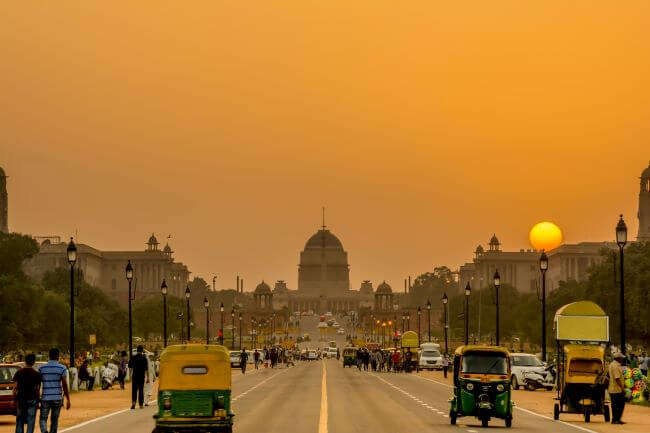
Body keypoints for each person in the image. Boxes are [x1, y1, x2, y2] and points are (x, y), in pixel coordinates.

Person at [39, 348, 71, 433]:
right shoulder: (62, 368)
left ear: (49, 356)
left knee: (43, 418)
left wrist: (38, 397)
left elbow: (38, 384)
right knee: (54, 419)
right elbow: (64, 385)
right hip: (57, 397)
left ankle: (44, 430)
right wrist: (68, 399)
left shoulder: (42, 368)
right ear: (58, 356)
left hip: (45, 397)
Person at [12, 353, 41, 433]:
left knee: (20, 419)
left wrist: (14, 398)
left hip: (21, 399)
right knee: (31, 420)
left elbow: (15, 388)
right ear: (34, 362)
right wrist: (38, 400)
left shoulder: (19, 372)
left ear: (25, 361)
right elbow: (37, 389)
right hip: (32, 399)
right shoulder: (37, 374)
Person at [128, 345, 149, 409]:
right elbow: (146, 369)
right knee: (141, 390)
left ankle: (133, 403)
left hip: (135, 376)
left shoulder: (133, 357)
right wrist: (147, 377)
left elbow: (130, 367)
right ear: (142, 350)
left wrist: (130, 375)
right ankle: (141, 404)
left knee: (134, 390)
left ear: (137, 350)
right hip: (141, 376)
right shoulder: (144, 358)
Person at [609, 351, 626, 424]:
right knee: (619, 404)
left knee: (616, 405)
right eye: (621, 358)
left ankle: (616, 419)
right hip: (617, 389)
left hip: (613, 389)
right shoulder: (615, 366)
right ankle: (616, 419)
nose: (622, 359)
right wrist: (622, 388)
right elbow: (617, 378)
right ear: (618, 358)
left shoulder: (613, 364)